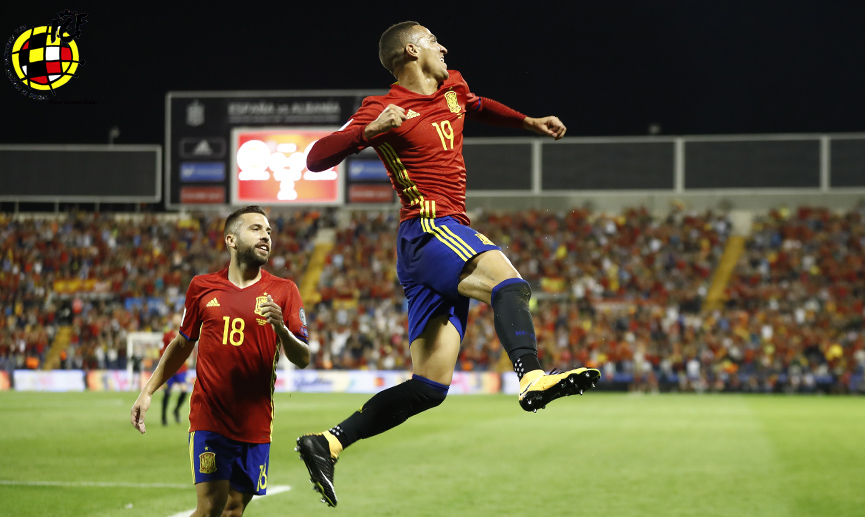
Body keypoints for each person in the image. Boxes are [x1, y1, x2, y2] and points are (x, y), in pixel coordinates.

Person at [296, 21, 601, 507]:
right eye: (434, 40)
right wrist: (368, 133)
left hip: (430, 248)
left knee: (429, 386)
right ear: (412, 51)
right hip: (430, 227)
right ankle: (530, 375)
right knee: (510, 283)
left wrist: (527, 122)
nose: (444, 47)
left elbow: (478, 106)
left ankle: (328, 442)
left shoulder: (452, 85)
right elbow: (314, 159)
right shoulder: (382, 108)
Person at [130, 206, 311, 517]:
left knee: (234, 509)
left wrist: (281, 328)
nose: (266, 236)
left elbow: (303, 357)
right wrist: (147, 391)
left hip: (256, 423)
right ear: (231, 239)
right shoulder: (202, 287)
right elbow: (181, 344)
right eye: (256, 229)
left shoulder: (284, 291)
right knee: (210, 508)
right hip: (210, 418)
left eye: (268, 231)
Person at [159, 312, 190, 426]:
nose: (177, 320)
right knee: (167, 393)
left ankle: (176, 410)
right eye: (175, 318)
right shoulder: (167, 335)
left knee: (184, 390)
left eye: (179, 318)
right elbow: (161, 350)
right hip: (170, 368)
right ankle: (163, 417)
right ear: (172, 321)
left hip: (182, 367)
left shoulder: (185, 333)